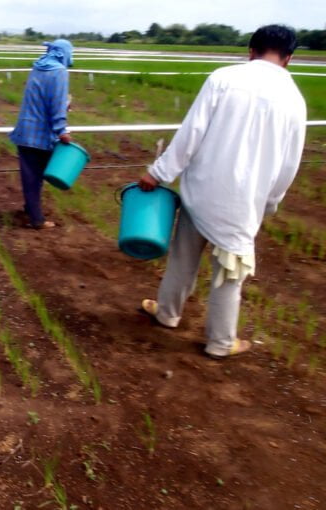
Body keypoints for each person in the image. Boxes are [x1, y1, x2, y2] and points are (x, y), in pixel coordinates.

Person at [138, 25, 307, 359]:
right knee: (230, 272)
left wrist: (159, 173)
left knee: (183, 257)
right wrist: (270, 201)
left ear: (251, 50)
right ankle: (220, 342)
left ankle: (168, 314)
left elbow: (191, 133)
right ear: (288, 58)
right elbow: (289, 164)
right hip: (245, 201)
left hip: (201, 190)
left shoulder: (224, 78)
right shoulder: (295, 101)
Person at [9, 39, 74, 229]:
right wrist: (62, 130)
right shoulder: (60, 72)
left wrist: (63, 107)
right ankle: (36, 219)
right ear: (64, 53)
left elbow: (42, 99)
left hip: (25, 131)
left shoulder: (38, 67)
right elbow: (55, 104)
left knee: (31, 175)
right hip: (40, 134)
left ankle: (30, 209)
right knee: (37, 176)